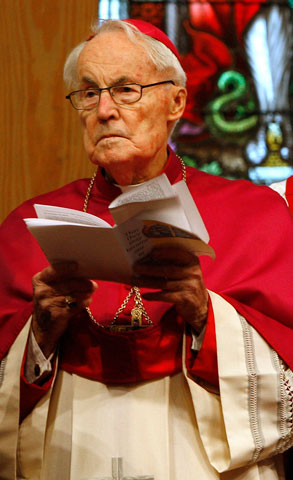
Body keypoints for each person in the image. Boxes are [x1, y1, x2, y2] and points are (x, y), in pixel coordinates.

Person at [0, 19, 293, 480]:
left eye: (126, 90)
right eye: (89, 92)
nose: (104, 110)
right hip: (74, 451)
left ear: (176, 101)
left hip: (205, 452)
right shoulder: (28, 223)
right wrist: (39, 332)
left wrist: (206, 315)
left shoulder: (254, 216)